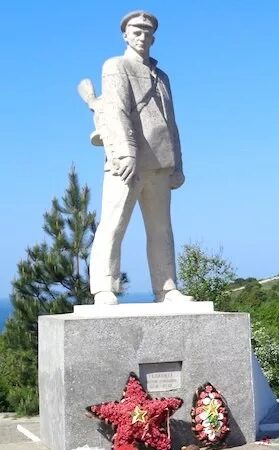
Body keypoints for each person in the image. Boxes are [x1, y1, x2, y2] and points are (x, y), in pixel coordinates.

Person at [83, 11, 192, 305]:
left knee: (161, 228)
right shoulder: (115, 66)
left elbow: (171, 123)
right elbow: (117, 112)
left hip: (160, 163)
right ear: (125, 35)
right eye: (136, 31)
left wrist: (177, 164)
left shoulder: (162, 76)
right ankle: (104, 286)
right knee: (114, 223)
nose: (142, 36)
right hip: (125, 162)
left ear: (153, 38)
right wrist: (127, 153)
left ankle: (167, 288)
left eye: (147, 32)